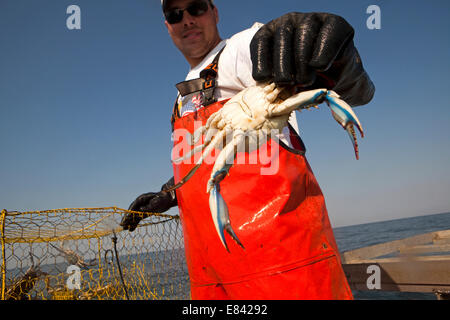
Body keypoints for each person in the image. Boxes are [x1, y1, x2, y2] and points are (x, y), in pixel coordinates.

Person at [121, 0, 375, 299]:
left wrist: (335, 56)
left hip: (283, 266)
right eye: (175, 15)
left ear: (214, 12)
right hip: (208, 275)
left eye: (196, 8)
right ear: (167, 26)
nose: (186, 19)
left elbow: (349, 85)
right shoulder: (182, 98)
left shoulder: (240, 51)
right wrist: (172, 192)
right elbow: (210, 158)